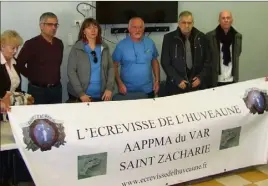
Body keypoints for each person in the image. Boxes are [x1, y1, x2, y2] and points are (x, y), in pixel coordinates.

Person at [0, 30, 34, 186]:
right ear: (2, 45)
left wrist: (25, 96)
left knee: (10, 147)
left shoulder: (14, 63)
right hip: (1, 111)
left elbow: (14, 88)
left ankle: (10, 178)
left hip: (10, 112)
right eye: (12, 47)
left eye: (17, 48)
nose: (15, 51)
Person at [17, 12, 64, 104]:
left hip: (56, 89)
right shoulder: (31, 44)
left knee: (56, 116)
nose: (54, 28)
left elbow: (57, 64)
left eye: (56, 25)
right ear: (41, 26)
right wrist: (32, 76)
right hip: (37, 90)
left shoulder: (59, 43)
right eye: (50, 25)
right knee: (38, 117)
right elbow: (19, 64)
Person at [161, 11, 210, 96]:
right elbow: (165, 62)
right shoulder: (169, 38)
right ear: (179, 23)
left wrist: (201, 77)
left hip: (197, 85)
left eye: (189, 23)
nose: (187, 25)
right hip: (176, 86)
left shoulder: (201, 37)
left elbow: (208, 60)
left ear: (193, 23)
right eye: (184, 22)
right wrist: (177, 79)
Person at [112, 17, 160, 100]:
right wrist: (119, 84)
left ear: (144, 28)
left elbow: (154, 61)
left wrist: (157, 81)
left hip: (148, 89)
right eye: (134, 27)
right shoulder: (121, 45)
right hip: (127, 90)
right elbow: (114, 66)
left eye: (140, 27)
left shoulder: (150, 42)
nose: (138, 30)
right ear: (129, 29)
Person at [67, 18, 114, 102]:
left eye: (95, 27)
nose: (93, 30)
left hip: (102, 95)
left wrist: (109, 88)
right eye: (89, 28)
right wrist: (81, 94)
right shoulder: (77, 48)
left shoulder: (104, 47)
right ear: (84, 31)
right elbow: (71, 72)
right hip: (82, 96)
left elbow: (111, 68)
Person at [206, 10, 242, 87]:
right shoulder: (210, 36)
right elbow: (207, 59)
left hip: (232, 79)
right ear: (219, 20)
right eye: (223, 18)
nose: (226, 20)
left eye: (228, 18)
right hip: (216, 80)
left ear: (232, 20)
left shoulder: (237, 36)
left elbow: (237, 55)